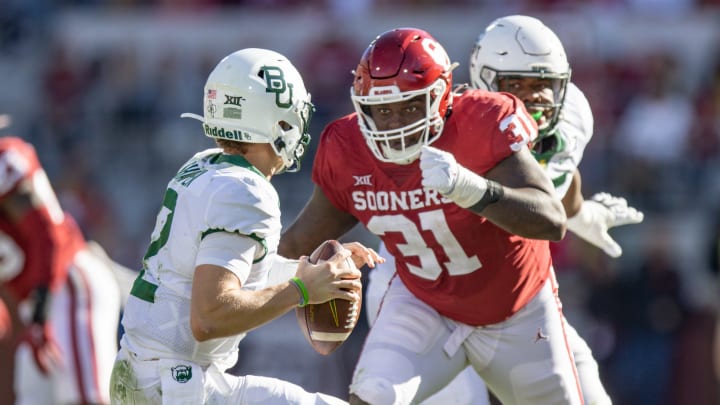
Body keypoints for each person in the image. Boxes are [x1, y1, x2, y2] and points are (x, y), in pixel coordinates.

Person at [280, 27, 585, 404]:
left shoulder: (483, 120)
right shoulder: (347, 148)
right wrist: (231, 281)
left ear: (441, 97)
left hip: (519, 311)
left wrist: (469, 188)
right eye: (382, 110)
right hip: (424, 305)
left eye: (409, 106)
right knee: (372, 396)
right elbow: (297, 244)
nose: (395, 123)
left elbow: (551, 219)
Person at [366, 15, 646, 405]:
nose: (532, 99)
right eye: (515, 85)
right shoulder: (446, 129)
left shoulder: (573, 117)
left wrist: (580, 212)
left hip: (512, 296)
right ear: (483, 81)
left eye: (543, 85)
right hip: (425, 290)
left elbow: (556, 173)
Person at [109, 48, 380, 405]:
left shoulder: (204, 165)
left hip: (147, 374)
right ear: (277, 123)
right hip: (175, 385)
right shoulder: (245, 190)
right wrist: (301, 289)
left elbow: (222, 273)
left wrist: (312, 271)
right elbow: (209, 316)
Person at [0, 121, 123, 403]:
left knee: (86, 398)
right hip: (32, 308)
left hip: (67, 285)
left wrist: (43, 299)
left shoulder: (6, 160)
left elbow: (48, 234)